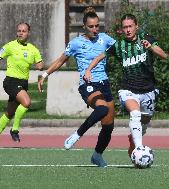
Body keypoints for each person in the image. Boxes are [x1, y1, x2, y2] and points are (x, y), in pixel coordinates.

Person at [38, 7, 115, 167]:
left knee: (108, 126)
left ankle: (97, 155)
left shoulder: (105, 39)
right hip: (87, 84)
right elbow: (60, 60)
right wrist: (45, 75)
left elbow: (121, 48)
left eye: (97, 26)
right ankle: (77, 134)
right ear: (84, 27)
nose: (95, 29)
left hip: (105, 84)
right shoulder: (76, 43)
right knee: (102, 109)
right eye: (91, 26)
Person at [84, 14, 168, 158]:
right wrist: (88, 69)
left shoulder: (146, 38)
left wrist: (151, 48)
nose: (128, 30)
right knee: (135, 114)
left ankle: (133, 141)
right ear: (122, 30)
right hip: (128, 89)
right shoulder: (119, 45)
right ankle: (140, 150)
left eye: (130, 26)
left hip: (148, 90)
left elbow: (164, 55)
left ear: (136, 26)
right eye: (125, 27)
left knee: (144, 124)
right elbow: (100, 56)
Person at [0, 23, 44, 142]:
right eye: (19, 30)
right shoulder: (10, 46)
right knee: (26, 102)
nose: (20, 33)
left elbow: (40, 65)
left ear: (28, 33)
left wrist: (41, 70)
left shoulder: (33, 49)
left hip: (23, 83)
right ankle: (14, 130)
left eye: (23, 31)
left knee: (9, 113)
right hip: (10, 82)